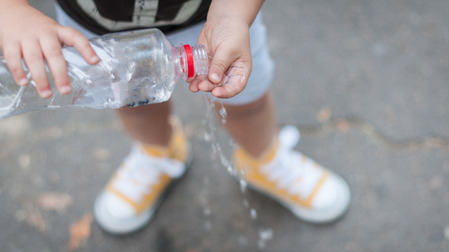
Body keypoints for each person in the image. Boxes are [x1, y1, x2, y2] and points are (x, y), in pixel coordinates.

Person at [0, 0, 351, 234]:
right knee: (135, 104)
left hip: (216, 18)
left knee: (247, 101)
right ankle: (160, 154)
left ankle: (264, 159)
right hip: (90, 30)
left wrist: (232, 15)